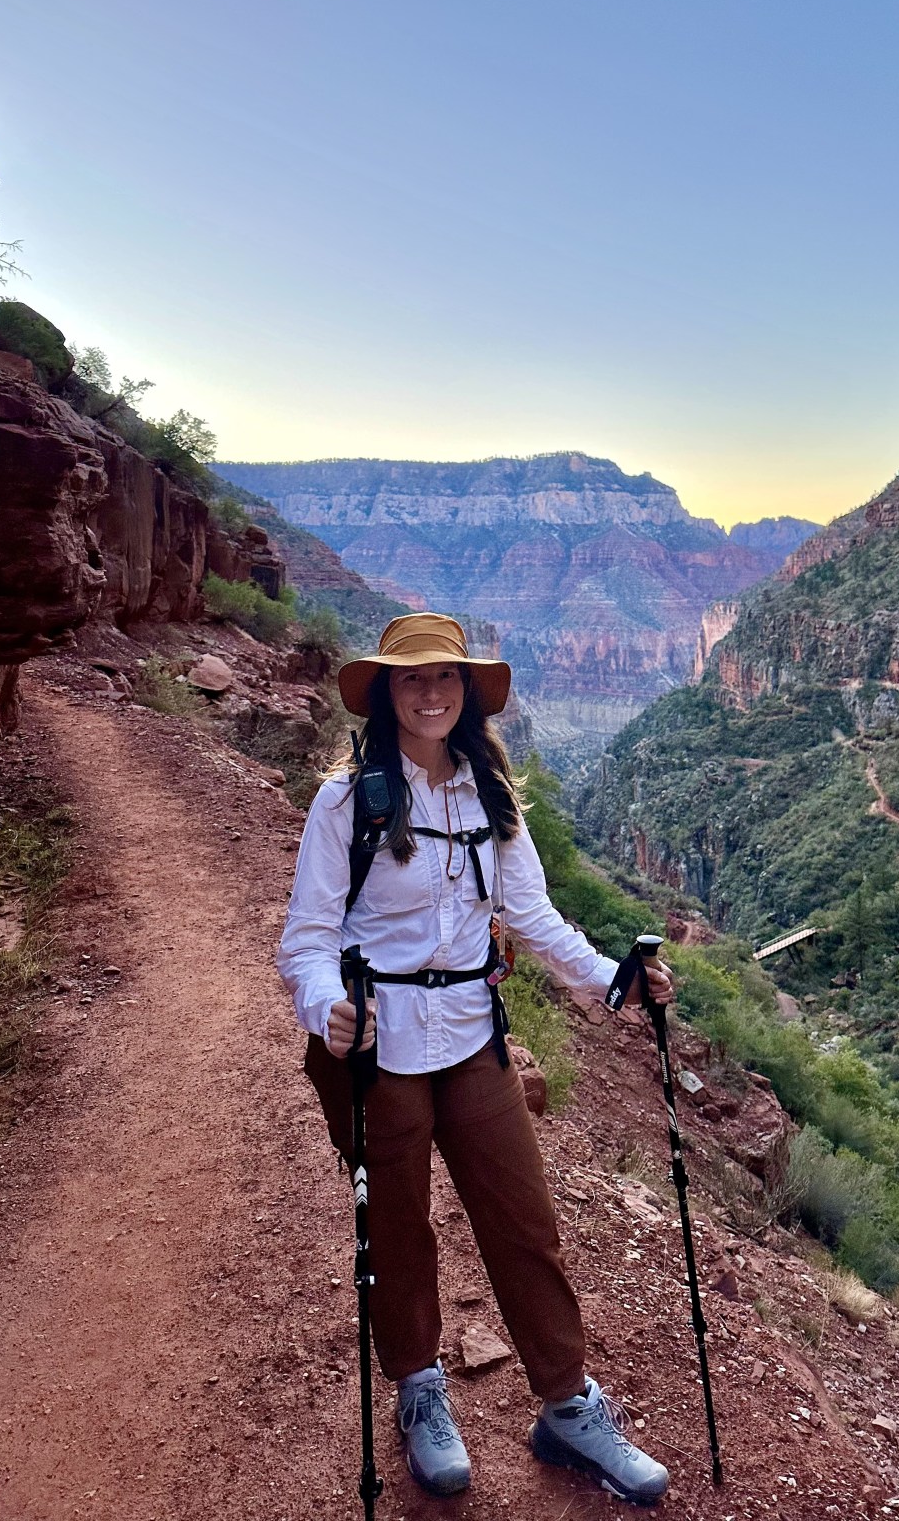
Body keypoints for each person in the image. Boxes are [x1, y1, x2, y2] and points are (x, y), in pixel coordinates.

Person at [277, 612, 674, 1505]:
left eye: (445, 678)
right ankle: (420, 1389)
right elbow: (304, 939)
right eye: (411, 679)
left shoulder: (491, 795)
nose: (430, 693)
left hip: (471, 1033)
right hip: (381, 1046)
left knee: (524, 1220)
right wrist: (329, 1006)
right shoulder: (347, 800)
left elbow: (531, 915)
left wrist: (615, 978)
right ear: (386, 692)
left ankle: (568, 1405)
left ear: (467, 692)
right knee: (401, 1229)